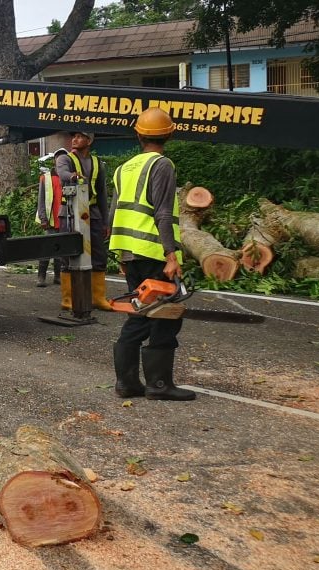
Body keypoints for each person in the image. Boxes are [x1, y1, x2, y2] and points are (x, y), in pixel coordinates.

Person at [110, 108, 194, 402]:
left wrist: (120, 254)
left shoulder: (125, 167)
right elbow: (161, 212)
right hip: (153, 252)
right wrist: (171, 256)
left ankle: (127, 383)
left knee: (140, 312)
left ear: (138, 135)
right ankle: (159, 385)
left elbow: (114, 212)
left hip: (131, 251)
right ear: (169, 134)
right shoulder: (162, 165)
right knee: (165, 316)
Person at [56, 131, 113, 311]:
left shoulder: (97, 162)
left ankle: (98, 297)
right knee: (69, 253)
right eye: (74, 136)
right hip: (70, 212)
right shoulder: (65, 158)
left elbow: (102, 193)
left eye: (80, 137)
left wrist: (106, 222)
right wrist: (72, 176)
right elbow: (62, 173)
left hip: (93, 212)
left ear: (89, 141)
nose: (74, 139)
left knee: (98, 254)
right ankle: (68, 299)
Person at [35, 147, 67, 288]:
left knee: (60, 250)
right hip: (50, 219)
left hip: (64, 220)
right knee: (47, 249)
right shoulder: (46, 177)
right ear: (54, 161)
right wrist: (43, 218)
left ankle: (58, 277)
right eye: (58, 158)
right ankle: (41, 277)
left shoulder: (68, 177)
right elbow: (41, 199)